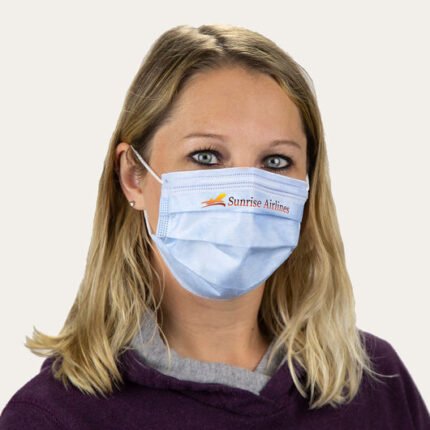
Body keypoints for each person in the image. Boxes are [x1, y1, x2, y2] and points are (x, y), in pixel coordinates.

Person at [1, 23, 429, 429]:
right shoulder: (53, 417)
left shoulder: (376, 385)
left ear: (307, 185)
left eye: (276, 161)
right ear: (133, 176)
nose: (244, 192)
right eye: (206, 156)